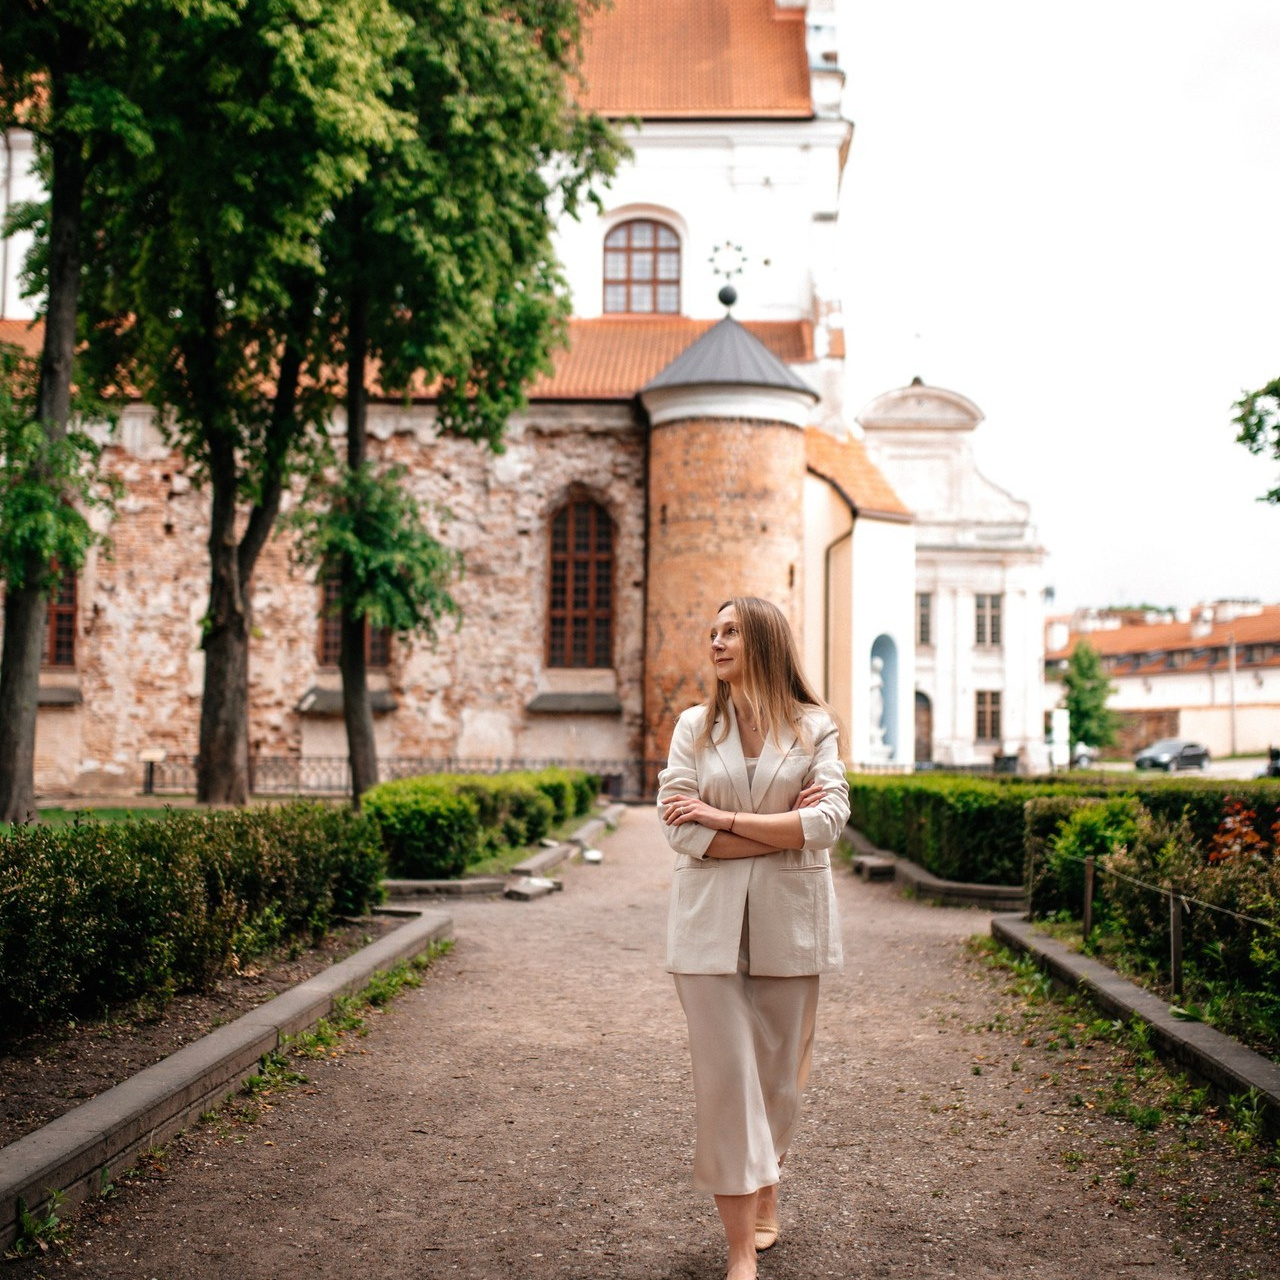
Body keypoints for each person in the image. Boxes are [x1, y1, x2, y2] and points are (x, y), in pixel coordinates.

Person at [657, 596, 850, 1280]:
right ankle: (740, 1252)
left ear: (764, 640)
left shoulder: (814, 727)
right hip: (705, 932)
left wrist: (722, 819)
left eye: (731, 631)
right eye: (712, 631)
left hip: (790, 924)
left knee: (777, 1085)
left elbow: (828, 821)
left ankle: (767, 1184)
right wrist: (778, 831)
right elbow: (680, 828)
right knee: (727, 1082)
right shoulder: (693, 726)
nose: (716, 642)